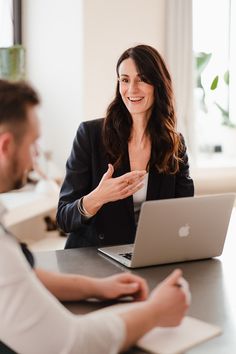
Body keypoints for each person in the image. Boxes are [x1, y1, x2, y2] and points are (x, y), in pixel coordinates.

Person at [0, 79, 190, 353]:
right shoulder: (91, 134)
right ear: (6, 146)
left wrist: (97, 288)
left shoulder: (173, 142)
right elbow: (72, 344)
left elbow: (23, 275)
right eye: (34, 144)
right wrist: (156, 311)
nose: (36, 158)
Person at [57, 44, 194, 249]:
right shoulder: (90, 134)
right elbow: (63, 218)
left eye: (141, 79)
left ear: (158, 84)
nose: (132, 89)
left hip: (148, 254)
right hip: (94, 257)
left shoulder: (174, 144)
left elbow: (185, 213)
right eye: (125, 80)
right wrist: (98, 197)